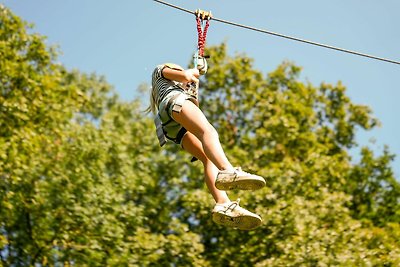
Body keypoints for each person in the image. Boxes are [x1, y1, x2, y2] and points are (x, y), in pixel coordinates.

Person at [147, 60, 266, 230]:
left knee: (207, 159)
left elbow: (193, 99)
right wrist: (194, 71)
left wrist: (196, 79)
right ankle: (228, 170)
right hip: (175, 103)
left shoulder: (169, 89)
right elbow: (186, 75)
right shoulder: (160, 70)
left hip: (170, 125)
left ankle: (223, 203)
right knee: (208, 132)